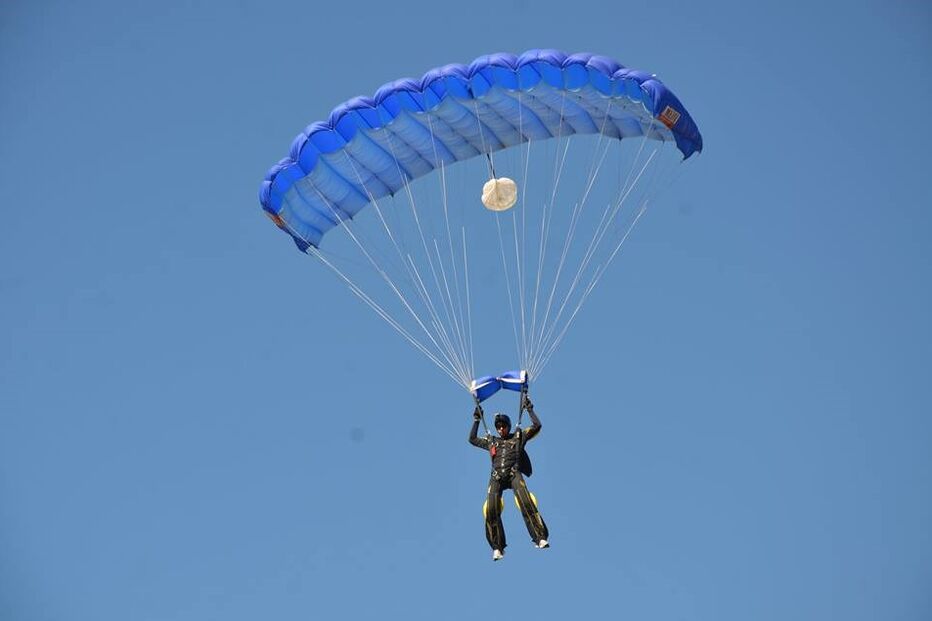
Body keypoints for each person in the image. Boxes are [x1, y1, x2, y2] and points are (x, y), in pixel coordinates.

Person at [469, 393, 549, 561]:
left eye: (503, 426)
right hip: (497, 477)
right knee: (491, 509)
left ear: (508, 426)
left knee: (526, 502)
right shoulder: (492, 441)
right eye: (498, 427)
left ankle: (540, 537)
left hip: (513, 474)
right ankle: (497, 547)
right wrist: (477, 420)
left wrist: (529, 409)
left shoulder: (519, 436)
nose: (500, 429)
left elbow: (537, 425)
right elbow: (473, 439)